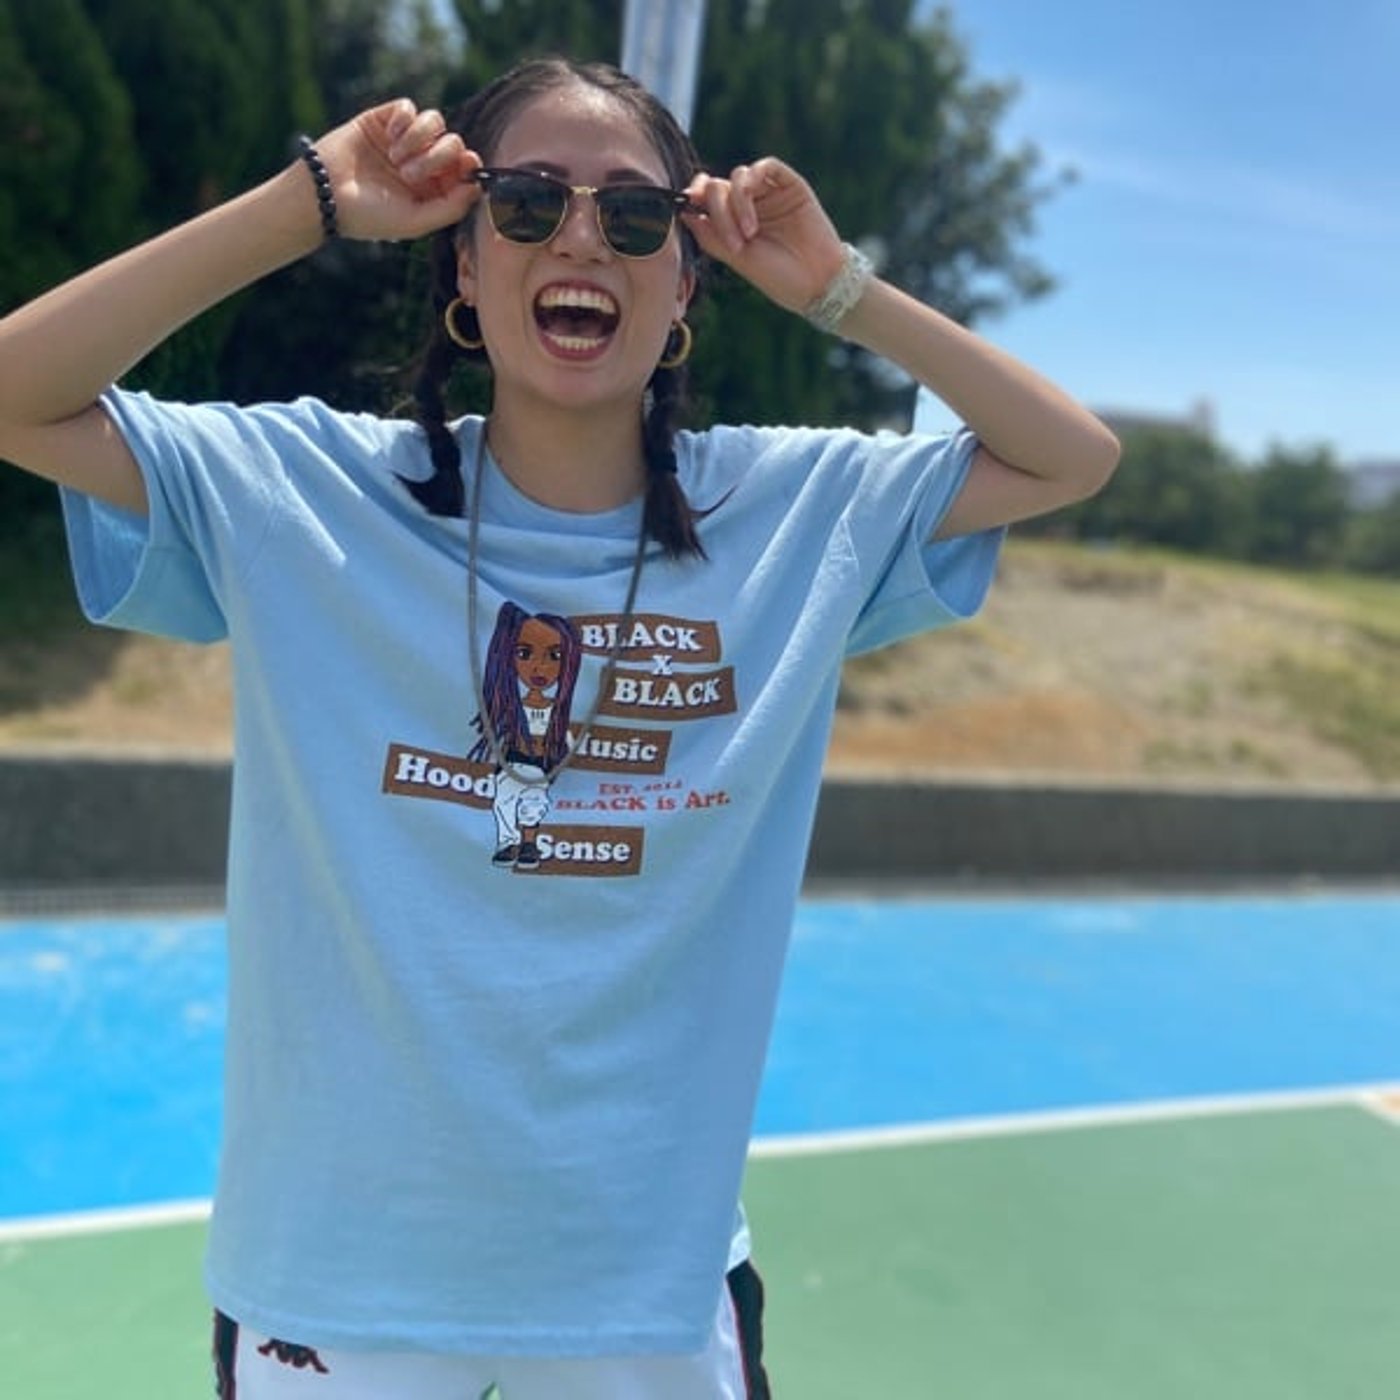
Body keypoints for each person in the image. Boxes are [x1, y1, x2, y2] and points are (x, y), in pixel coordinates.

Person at [0, 54, 1118, 1400]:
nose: (582, 237)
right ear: (465, 264)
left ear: (686, 280)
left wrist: (837, 287)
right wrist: (309, 203)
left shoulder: (795, 514)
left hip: (643, 1290)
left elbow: (1071, 455)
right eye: (527, 202)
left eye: (635, 216)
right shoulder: (305, 491)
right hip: (336, 1282)